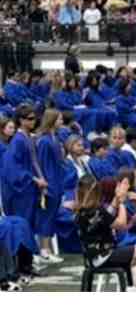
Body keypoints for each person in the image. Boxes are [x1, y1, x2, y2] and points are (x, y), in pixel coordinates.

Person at [74, 175, 136, 291]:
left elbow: (108, 215)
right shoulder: (98, 211)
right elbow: (121, 225)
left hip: (93, 259)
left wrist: (117, 198)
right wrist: (122, 202)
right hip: (105, 256)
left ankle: (134, 287)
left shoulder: (80, 212)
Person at [34, 109, 65, 264]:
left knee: (51, 217)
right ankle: (44, 250)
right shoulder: (45, 141)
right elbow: (41, 164)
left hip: (57, 182)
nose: (62, 122)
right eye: (59, 119)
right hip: (49, 184)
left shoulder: (54, 138)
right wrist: (44, 185)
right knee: (46, 217)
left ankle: (47, 249)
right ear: (52, 120)